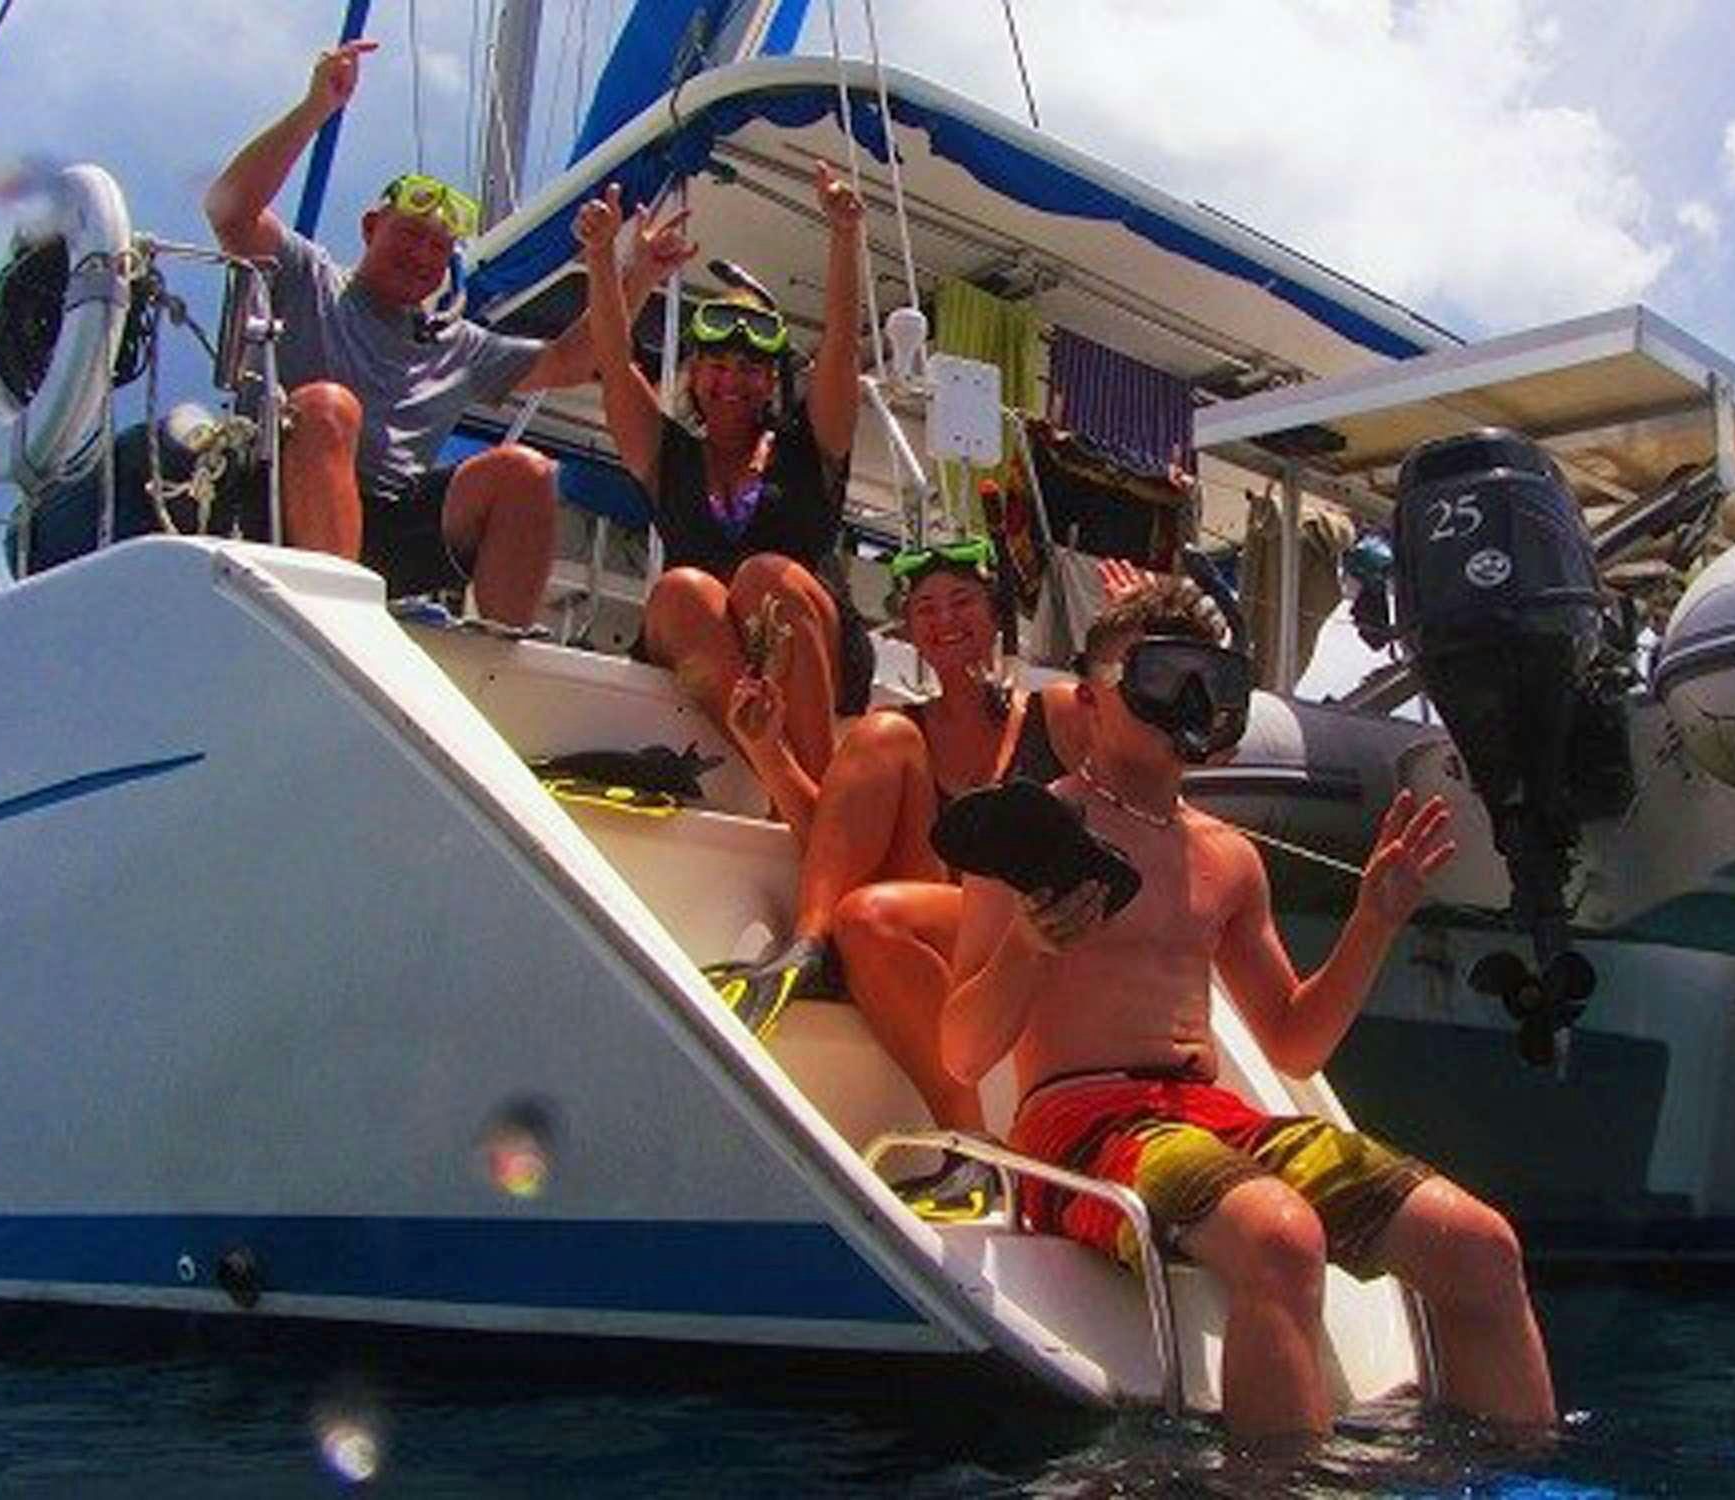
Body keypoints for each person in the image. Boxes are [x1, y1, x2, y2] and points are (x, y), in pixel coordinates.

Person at [943, 577, 1556, 1437]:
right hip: (1077, 1124)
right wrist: (1027, 947)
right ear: (1089, 697)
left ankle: (1521, 1477)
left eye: (1206, 679)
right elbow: (963, 1053)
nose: (1185, 701)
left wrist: (1373, 921)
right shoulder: (1027, 832)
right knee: (1279, 1236)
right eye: (1157, 677)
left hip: (1209, 1116)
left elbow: (1294, 1044)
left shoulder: (1227, 860)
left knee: (1481, 1246)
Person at [204, 39, 693, 626]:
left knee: (525, 471)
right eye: (410, 235)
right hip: (280, 504)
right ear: (369, 227)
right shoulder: (311, 277)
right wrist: (317, 108)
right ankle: (333, 625)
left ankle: (499, 654)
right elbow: (230, 211)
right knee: (330, 406)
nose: (422, 255)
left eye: (439, 248)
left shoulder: (455, 343)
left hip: (394, 524)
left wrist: (636, 272)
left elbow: (572, 361)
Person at [712, 538, 1088, 1162]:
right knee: (880, 735)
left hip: (1030, 926)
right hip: (939, 920)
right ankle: (809, 947)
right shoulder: (904, 732)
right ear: (910, 630)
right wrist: (765, 749)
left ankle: (970, 1146)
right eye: (926, 608)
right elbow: (829, 847)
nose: (944, 620)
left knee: (870, 913)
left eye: (962, 602)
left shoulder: (1054, 712)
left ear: (995, 614)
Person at [573, 163, 864, 829]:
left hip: (810, 643)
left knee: (767, 576)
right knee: (681, 591)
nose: (732, 381)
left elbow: (842, 347)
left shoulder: (807, 445)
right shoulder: (668, 453)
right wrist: (600, 256)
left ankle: (814, 800)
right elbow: (614, 361)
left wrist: (845, 235)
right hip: (716, 653)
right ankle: (794, 794)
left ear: (771, 383)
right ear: (694, 375)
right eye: (716, 366)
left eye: (751, 369)